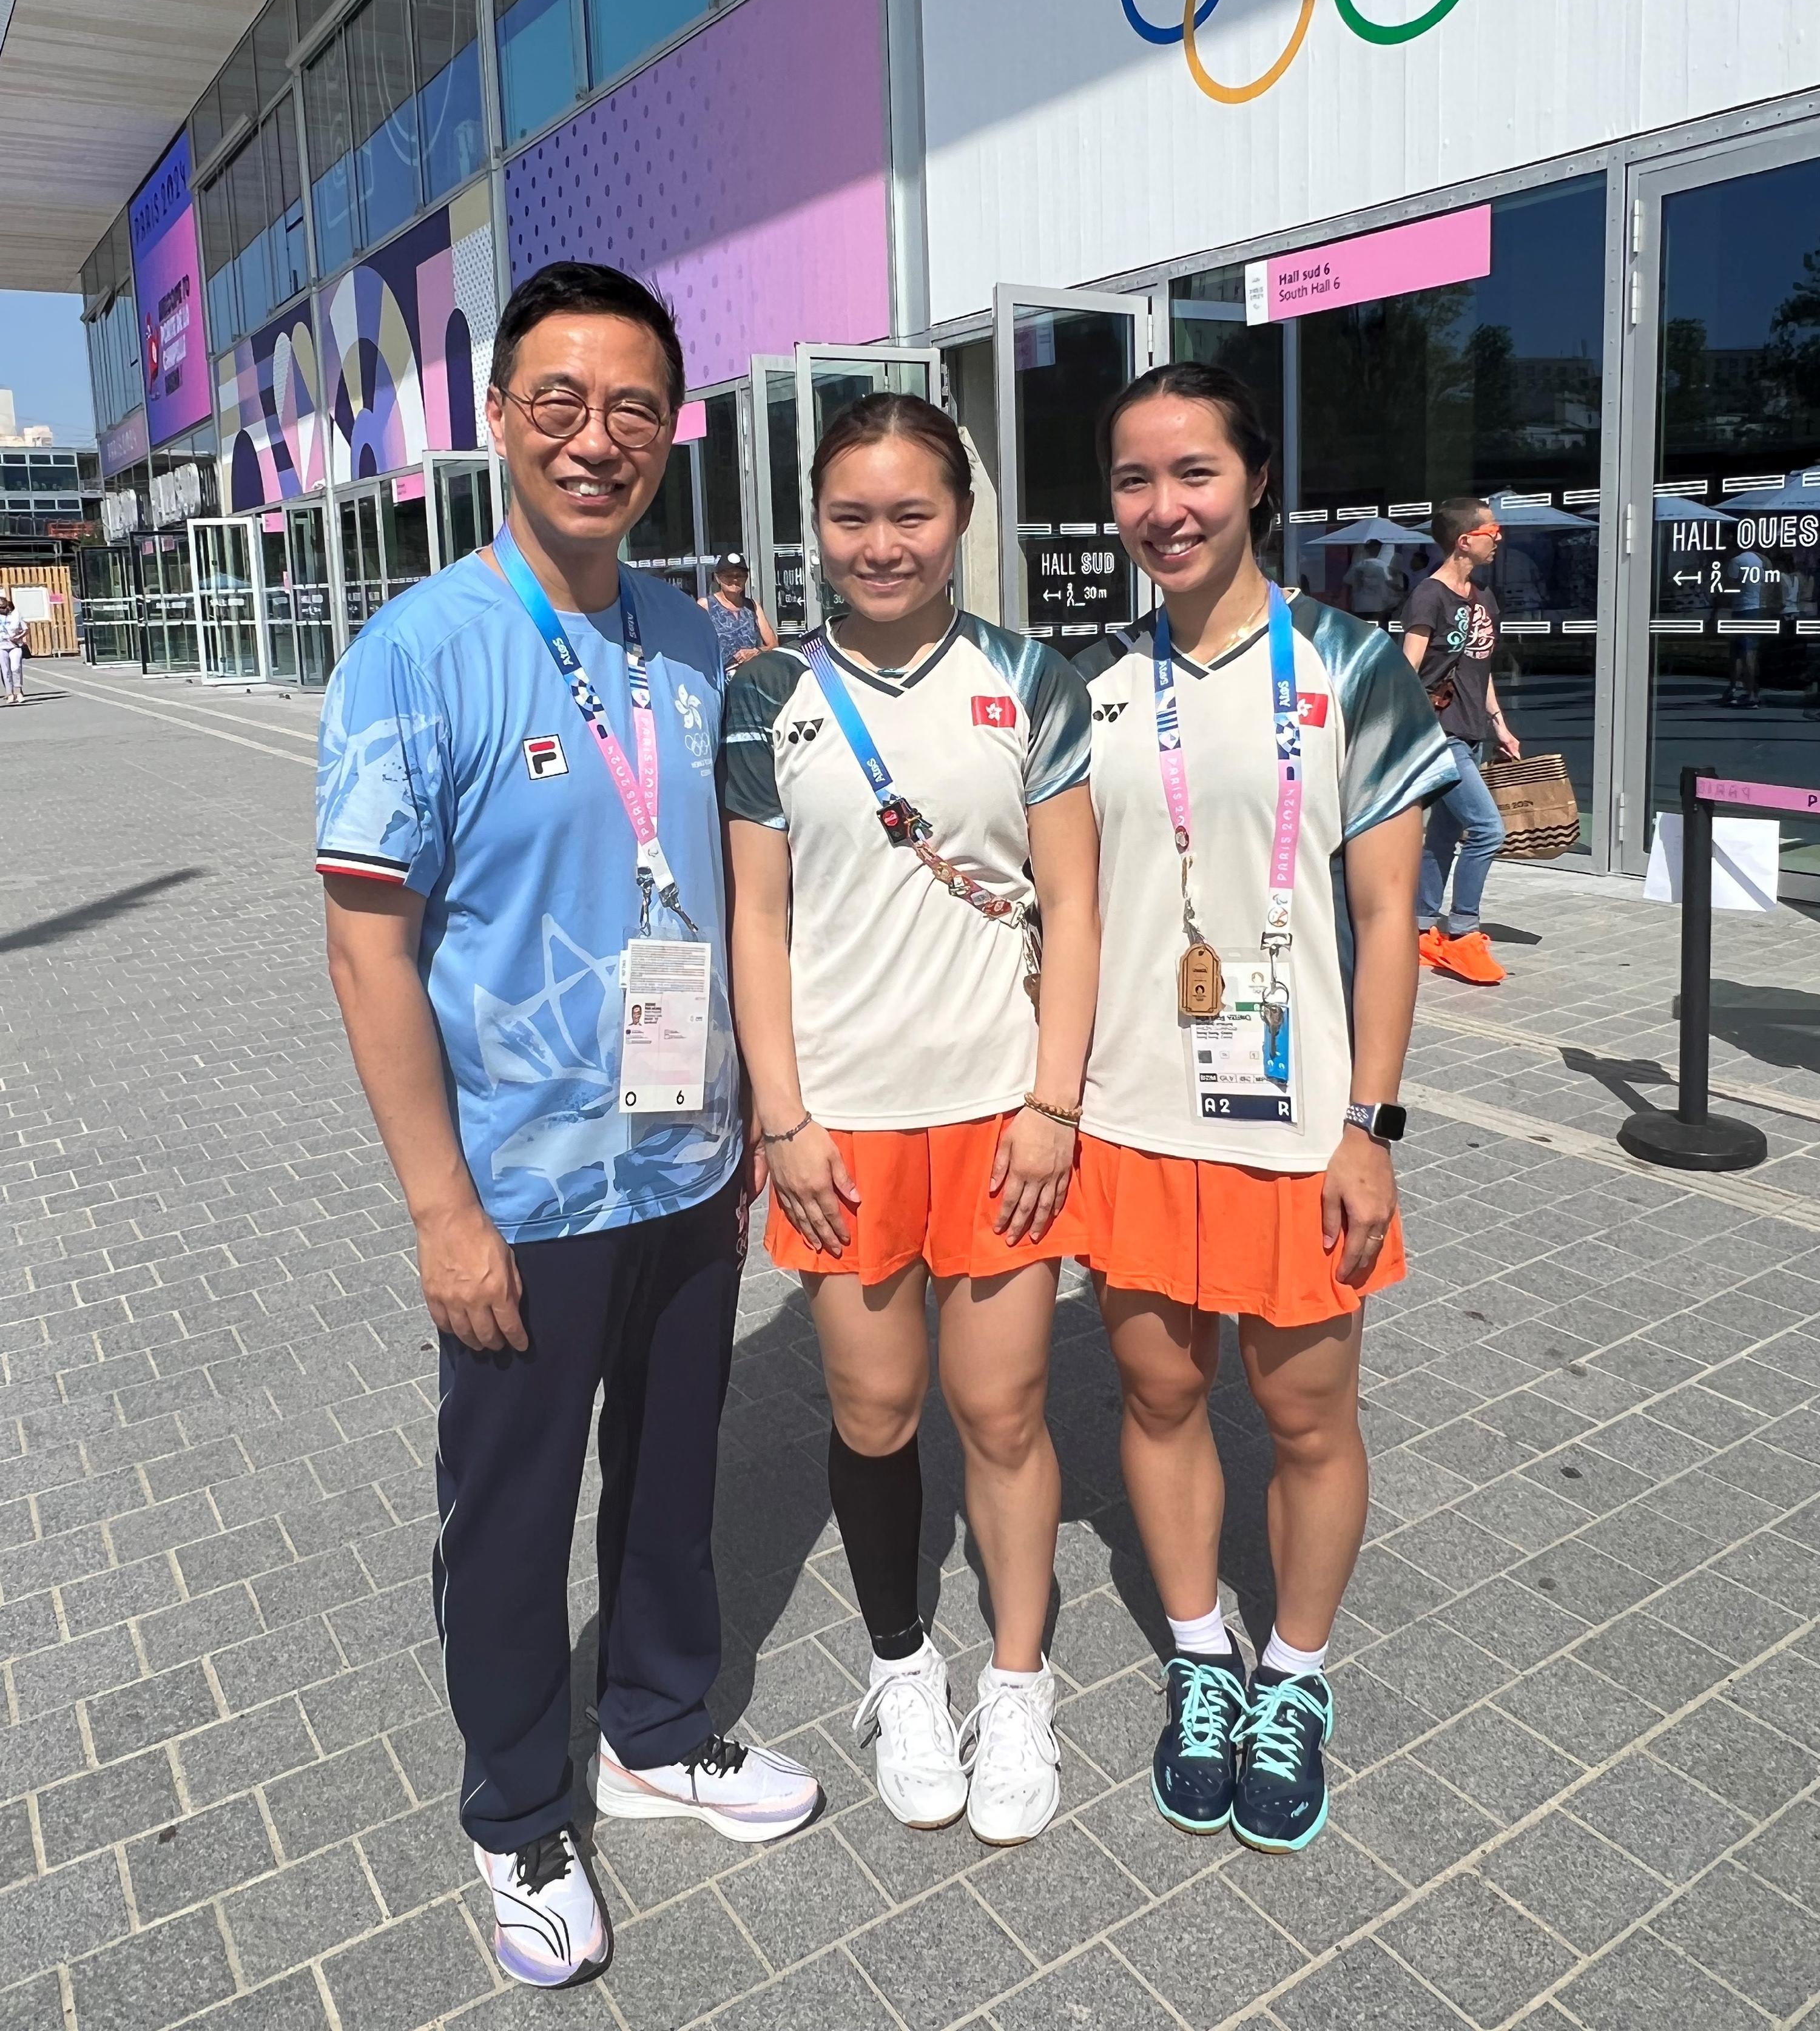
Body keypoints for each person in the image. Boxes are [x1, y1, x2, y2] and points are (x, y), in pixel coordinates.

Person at [315, 262, 818, 1995]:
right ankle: (519, 1810)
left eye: (631, 411)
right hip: (518, 1196)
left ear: (667, 432)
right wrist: (439, 1210)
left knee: (673, 1492)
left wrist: (755, 1114)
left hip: (684, 1166)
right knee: (512, 1528)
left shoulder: (700, 644)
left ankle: (660, 1733)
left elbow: (741, 903)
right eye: (559, 404)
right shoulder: (418, 652)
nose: (595, 440)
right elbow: (366, 945)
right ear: (500, 420)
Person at [1073, 363, 1451, 1856]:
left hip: (1297, 1126)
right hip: (1134, 1112)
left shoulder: (1352, 664)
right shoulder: (1088, 687)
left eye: (1192, 474)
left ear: (1253, 483)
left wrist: (1371, 1122)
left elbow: (1387, 916)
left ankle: (1293, 1671)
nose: (1161, 507)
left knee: (1305, 1413)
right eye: (1130, 479)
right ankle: (1200, 1657)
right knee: (1159, 1397)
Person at [723, 395, 1100, 1847]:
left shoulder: (1028, 678)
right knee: (875, 1411)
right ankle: (899, 1664)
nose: (879, 544)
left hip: (1002, 1115)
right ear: (817, 525)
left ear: (960, 519)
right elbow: (760, 924)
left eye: (911, 513)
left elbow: (1072, 905)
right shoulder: (768, 695)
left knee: (999, 1410)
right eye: (850, 516)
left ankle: (1015, 1681)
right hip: (845, 1126)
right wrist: (785, 1114)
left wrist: (1054, 1101)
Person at [1401, 497, 1520, 985]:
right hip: (1439, 734)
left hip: (1471, 731)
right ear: (1465, 540)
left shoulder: (1483, 597)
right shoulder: (1429, 596)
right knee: (1488, 829)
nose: (1499, 540)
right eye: (1494, 532)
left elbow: (1479, 668)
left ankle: (1420, 928)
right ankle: (1462, 934)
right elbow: (1407, 670)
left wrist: (1499, 725)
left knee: (1445, 837)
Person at [700, 550, 777, 675]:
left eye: (740, 575)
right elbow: (696, 647)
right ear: (718, 578)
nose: (735, 580)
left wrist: (756, 652)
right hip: (718, 678)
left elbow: (773, 645)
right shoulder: (705, 605)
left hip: (751, 677)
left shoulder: (753, 606)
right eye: (729, 576)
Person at [0, 594, 25, 705]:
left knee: (16, 668)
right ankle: (10, 693)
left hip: (15, 645)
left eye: (3, 607)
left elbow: (26, 629)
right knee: (5, 671)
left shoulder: (15, 616)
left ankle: (18, 691)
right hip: (1, 646)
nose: (2, 609)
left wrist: (18, 637)